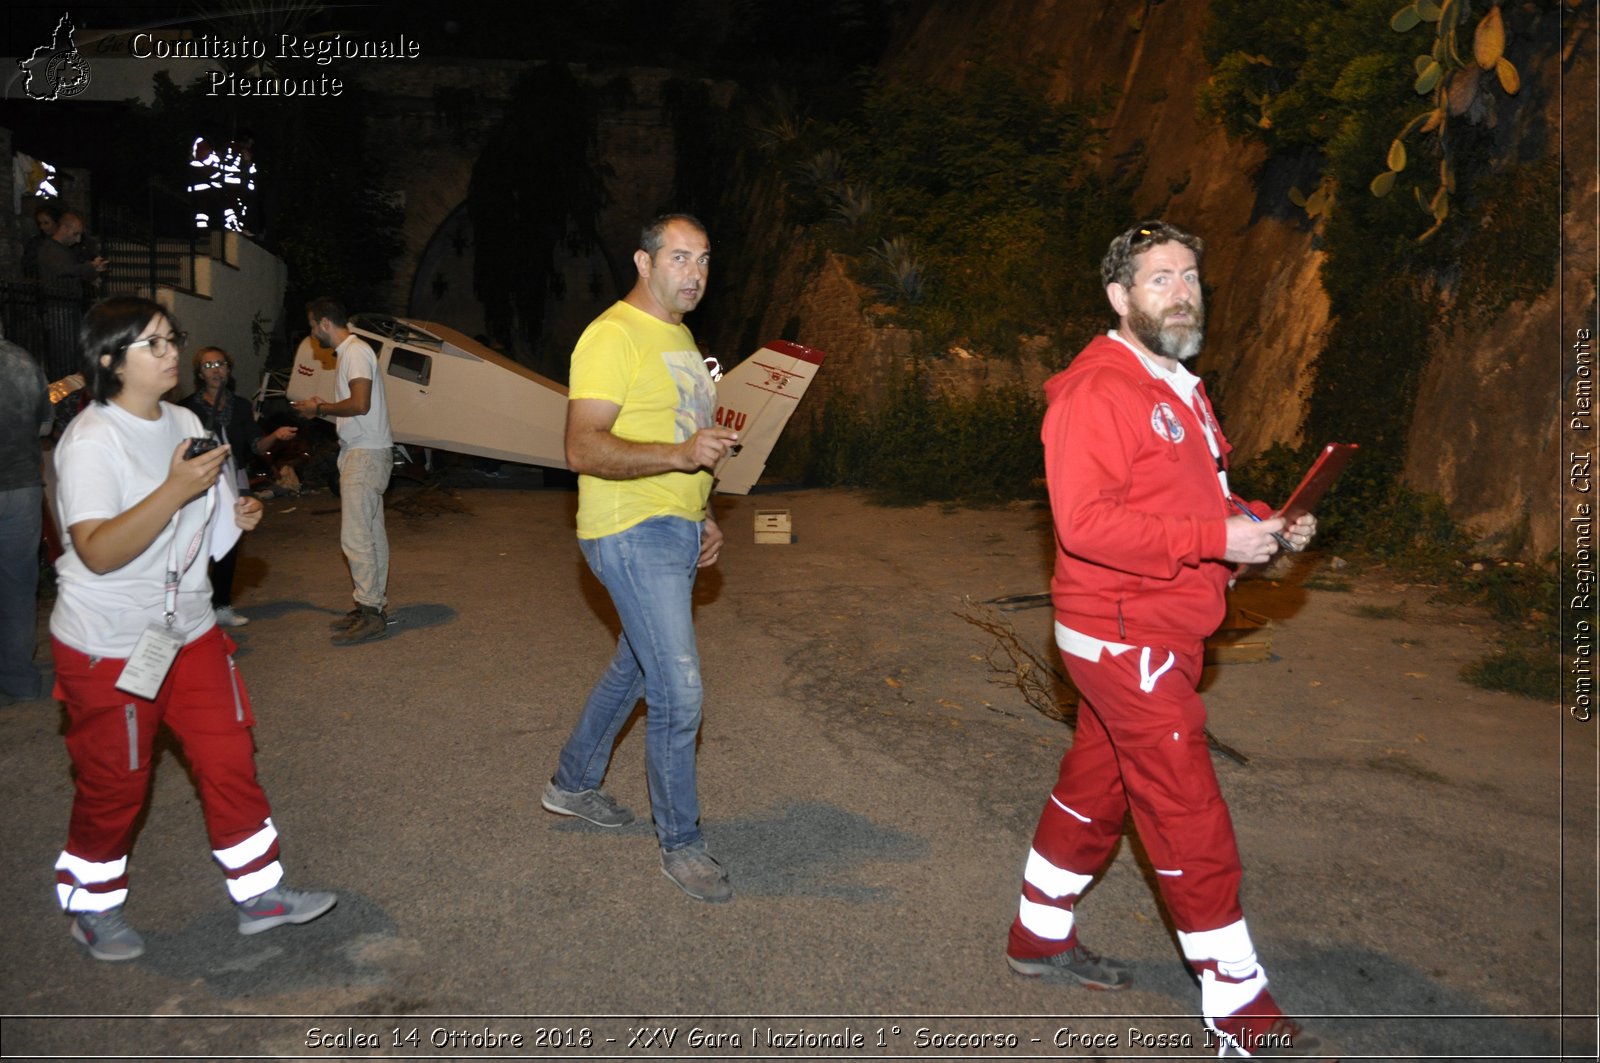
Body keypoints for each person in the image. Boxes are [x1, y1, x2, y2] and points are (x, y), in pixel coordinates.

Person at [1005, 221, 1332, 1060]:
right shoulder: (1097, 391)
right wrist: (1219, 539)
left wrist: (1262, 523)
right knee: (1184, 805)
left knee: (1100, 782)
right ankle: (1237, 1002)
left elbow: (1190, 499)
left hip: (1158, 625)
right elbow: (1086, 524)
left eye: (1189, 274)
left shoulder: (1176, 381)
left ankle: (1039, 930)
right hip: (1126, 634)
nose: (1181, 289)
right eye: (1159, 278)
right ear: (1120, 298)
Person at [50, 296, 335, 962]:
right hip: (109, 645)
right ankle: (91, 905)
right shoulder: (90, 439)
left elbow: (206, 517)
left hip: (191, 629)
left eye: (169, 337)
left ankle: (260, 893)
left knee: (229, 756)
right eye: (152, 344)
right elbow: (96, 549)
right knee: (116, 781)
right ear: (108, 360)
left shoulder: (183, 418)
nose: (171, 351)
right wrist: (176, 490)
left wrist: (235, 510)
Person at [542, 213, 738, 903]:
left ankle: (571, 783)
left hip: (674, 526)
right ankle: (680, 843)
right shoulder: (610, 336)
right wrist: (681, 458)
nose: (695, 273)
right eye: (680, 258)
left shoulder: (680, 338)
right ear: (644, 262)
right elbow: (582, 446)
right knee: (678, 687)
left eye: (705, 259)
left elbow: (681, 433)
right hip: (629, 528)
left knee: (638, 662)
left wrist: (702, 509)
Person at [290, 298, 393, 646]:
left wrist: (320, 406)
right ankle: (371, 605)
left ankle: (370, 612)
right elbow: (354, 409)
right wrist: (319, 410)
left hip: (364, 455)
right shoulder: (354, 352)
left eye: (311, 326)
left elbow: (360, 404)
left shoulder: (354, 351)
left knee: (356, 536)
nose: (311, 334)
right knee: (371, 533)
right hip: (367, 451)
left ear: (323, 323)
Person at [180, 346, 297, 627]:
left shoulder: (241, 406)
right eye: (208, 366)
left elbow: (256, 445)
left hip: (235, 479)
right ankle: (191, 606)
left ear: (228, 370)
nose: (215, 370)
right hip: (202, 482)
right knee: (195, 541)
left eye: (220, 364)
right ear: (199, 373)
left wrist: (275, 436)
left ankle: (221, 605)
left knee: (231, 542)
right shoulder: (187, 408)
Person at [0, 336, 52, 702]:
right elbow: (45, 427)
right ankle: (20, 681)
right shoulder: (23, 360)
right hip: (21, 488)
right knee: (18, 588)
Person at [36, 211, 108, 297]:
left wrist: (93, 271)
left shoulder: (62, 248)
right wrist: (92, 266)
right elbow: (67, 270)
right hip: (59, 303)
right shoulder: (50, 249)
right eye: (75, 234)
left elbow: (74, 271)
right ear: (64, 229)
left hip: (66, 301)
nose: (78, 240)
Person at [20, 203, 61, 280]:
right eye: (40, 223)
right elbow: (28, 266)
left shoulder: (67, 240)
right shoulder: (35, 243)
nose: (42, 227)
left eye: (46, 223)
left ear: (56, 222)